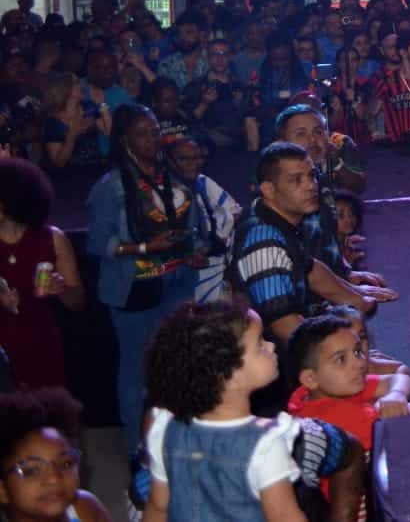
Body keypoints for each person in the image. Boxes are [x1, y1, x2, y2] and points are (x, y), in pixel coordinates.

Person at [85, 105, 199, 453]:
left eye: (154, 131)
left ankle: (179, 439)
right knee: (137, 369)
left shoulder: (172, 173)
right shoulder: (111, 187)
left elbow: (191, 220)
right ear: (125, 140)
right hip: (135, 287)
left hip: (177, 280)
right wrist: (145, 246)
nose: (152, 139)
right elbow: (96, 243)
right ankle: (139, 449)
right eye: (142, 133)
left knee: (179, 362)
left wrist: (194, 246)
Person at [140, 303, 303, 522]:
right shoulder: (265, 445)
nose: (272, 347)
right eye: (259, 345)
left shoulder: (166, 429)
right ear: (229, 374)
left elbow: (158, 507)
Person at [226, 144, 394, 349]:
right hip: (268, 363)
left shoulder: (275, 216)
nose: (311, 185)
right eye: (296, 180)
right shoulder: (264, 240)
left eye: (311, 176)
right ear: (269, 189)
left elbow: (307, 267)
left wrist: (354, 294)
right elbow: (284, 324)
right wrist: (340, 355)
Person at [285, 313, 410, 517]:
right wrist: (397, 400)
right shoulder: (334, 416)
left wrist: (396, 394)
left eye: (357, 351)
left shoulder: (309, 393)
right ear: (310, 378)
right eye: (341, 359)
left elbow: (397, 380)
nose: (360, 363)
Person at [0, 158, 85, 389]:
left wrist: (61, 289)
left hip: (40, 342)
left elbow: (78, 302)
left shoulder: (53, 239)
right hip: (2, 348)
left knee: (46, 413)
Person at [0, 387, 113, 522]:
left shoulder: (85, 508)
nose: (54, 478)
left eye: (66, 464)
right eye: (31, 470)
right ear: (2, 490)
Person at [164, 137, 241, 305]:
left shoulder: (202, 181)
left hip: (218, 261)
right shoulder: (164, 192)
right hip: (186, 269)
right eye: (184, 159)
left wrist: (220, 236)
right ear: (169, 161)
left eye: (197, 157)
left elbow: (234, 210)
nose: (194, 163)